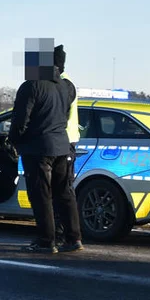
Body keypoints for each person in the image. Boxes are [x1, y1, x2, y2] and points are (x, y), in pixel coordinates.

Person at [8, 40, 81, 253]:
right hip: (61, 145)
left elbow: (20, 119)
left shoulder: (31, 85)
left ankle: (46, 240)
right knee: (64, 192)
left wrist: (14, 140)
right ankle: (73, 238)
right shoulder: (64, 86)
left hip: (38, 147)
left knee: (41, 195)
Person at [52, 44, 84, 252]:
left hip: (61, 143)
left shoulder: (63, 85)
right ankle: (67, 236)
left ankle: (64, 236)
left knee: (59, 192)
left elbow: (56, 115)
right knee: (61, 192)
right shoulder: (66, 84)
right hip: (66, 142)